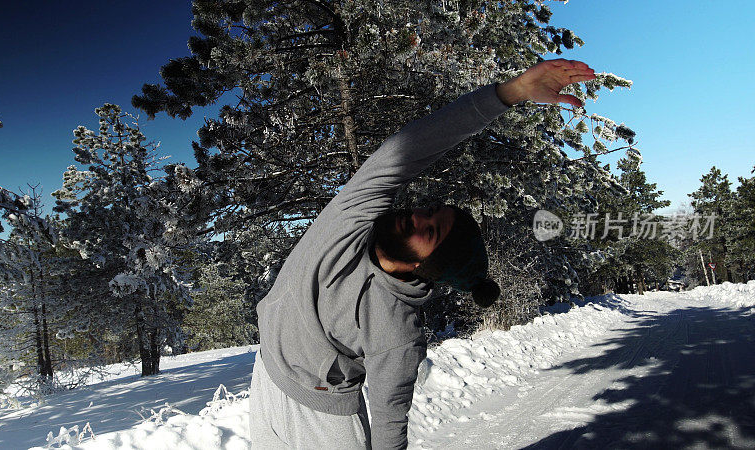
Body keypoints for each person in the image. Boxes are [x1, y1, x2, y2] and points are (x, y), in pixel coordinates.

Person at [249, 59, 596, 449]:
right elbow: (416, 143)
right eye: (429, 212)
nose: (414, 217)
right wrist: (510, 93)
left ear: (422, 266)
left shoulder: (396, 330)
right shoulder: (357, 215)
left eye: (428, 231)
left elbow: (389, 417)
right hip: (266, 377)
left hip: (323, 419)